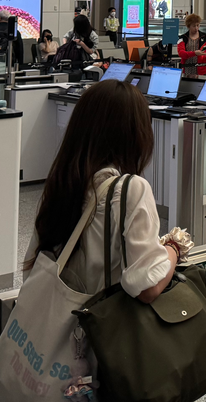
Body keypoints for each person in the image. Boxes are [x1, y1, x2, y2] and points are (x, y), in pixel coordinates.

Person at [26, 80, 180, 299]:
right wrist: (174, 249)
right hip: (97, 325)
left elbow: (33, 263)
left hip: (52, 320)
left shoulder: (61, 181)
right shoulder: (130, 189)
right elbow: (147, 287)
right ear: (135, 134)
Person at [178, 13, 206, 79]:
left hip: (202, 71)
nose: (196, 28)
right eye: (194, 26)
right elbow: (181, 53)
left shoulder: (205, 37)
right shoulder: (182, 38)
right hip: (186, 70)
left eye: (198, 25)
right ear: (188, 26)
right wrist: (194, 53)